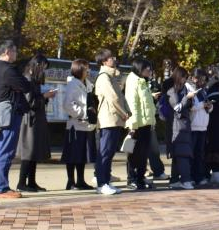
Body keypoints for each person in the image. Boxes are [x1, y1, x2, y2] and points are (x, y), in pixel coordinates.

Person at [0, 40, 31, 198]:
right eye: (14, 51)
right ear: (7, 52)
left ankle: (0, 186)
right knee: (5, 151)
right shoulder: (7, 69)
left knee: (1, 150)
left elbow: (21, 86)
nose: (16, 54)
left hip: (4, 112)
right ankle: (2, 188)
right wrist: (20, 85)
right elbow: (25, 86)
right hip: (9, 113)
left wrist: (19, 86)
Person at [17, 53, 56, 192]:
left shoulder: (33, 80)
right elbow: (29, 102)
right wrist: (44, 96)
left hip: (35, 119)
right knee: (28, 151)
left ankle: (32, 182)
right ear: (37, 65)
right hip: (30, 120)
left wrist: (45, 97)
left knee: (34, 151)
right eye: (43, 67)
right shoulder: (28, 79)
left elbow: (35, 99)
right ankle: (22, 183)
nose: (44, 71)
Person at [94, 49, 131, 195]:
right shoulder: (104, 77)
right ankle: (101, 183)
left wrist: (126, 112)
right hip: (108, 119)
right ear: (104, 61)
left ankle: (106, 181)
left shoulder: (111, 76)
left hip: (114, 118)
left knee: (109, 153)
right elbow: (113, 98)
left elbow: (120, 96)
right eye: (111, 58)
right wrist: (124, 113)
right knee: (104, 152)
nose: (114, 59)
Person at [61, 59, 97, 190]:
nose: (88, 71)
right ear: (79, 69)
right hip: (75, 125)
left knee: (82, 154)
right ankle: (71, 182)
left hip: (86, 125)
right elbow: (67, 104)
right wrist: (83, 113)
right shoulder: (73, 84)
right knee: (72, 154)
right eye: (86, 68)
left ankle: (81, 181)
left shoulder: (88, 84)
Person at [124, 58, 157, 191]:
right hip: (136, 124)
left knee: (143, 153)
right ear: (139, 69)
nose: (149, 71)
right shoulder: (133, 81)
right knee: (133, 153)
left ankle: (140, 178)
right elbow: (132, 104)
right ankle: (132, 179)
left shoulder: (144, 81)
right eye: (147, 68)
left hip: (146, 123)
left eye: (150, 68)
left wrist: (152, 121)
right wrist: (132, 126)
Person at [185, 68, 213, 185]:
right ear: (193, 78)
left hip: (203, 125)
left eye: (203, 80)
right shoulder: (188, 88)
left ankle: (199, 177)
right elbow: (190, 106)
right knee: (191, 153)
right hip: (193, 126)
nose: (201, 82)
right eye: (199, 79)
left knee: (200, 154)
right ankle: (190, 177)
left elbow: (206, 105)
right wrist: (202, 105)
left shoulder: (203, 90)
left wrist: (210, 106)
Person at [168, 66, 195, 189]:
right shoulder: (171, 91)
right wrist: (187, 98)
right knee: (183, 153)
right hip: (177, 126)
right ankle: (185, 180)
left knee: (178, 154)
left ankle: (174, 180)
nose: (185, 80)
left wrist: (190, 99)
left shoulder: (182, 89)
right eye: (184, 77)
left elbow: (186, 107)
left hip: (183, 125)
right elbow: (177, 107)